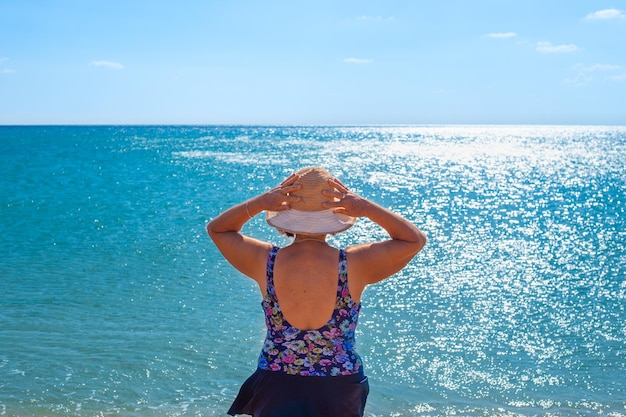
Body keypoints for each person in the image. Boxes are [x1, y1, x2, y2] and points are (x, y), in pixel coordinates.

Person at [207, 167, 426, 417]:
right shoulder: (355, 263)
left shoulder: (264, 260)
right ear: (335, 215)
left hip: (278, 380)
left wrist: (261, 202)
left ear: (284, 211)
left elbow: (218, 229)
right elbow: (414, 239)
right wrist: (365, 207)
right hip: (339, 384)